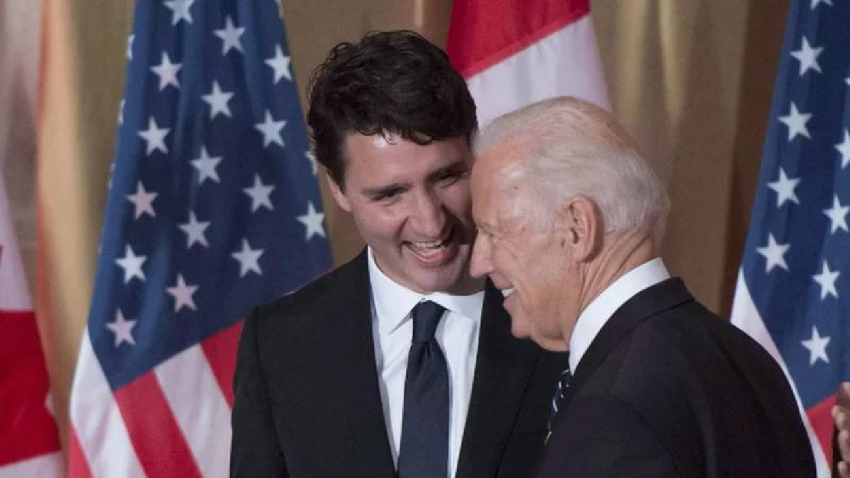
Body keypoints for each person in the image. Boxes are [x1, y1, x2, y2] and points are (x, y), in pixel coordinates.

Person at [229, 30, 563, 478]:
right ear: (338, 189)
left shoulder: (561, 315)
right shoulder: (280, 346)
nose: (430, 223)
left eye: (447, 177)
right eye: (390, 194)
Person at [468, 96, 817, 478]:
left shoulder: (612, 411)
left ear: (578, 228)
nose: (478, 263)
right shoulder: (746, 358)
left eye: (492, 232)